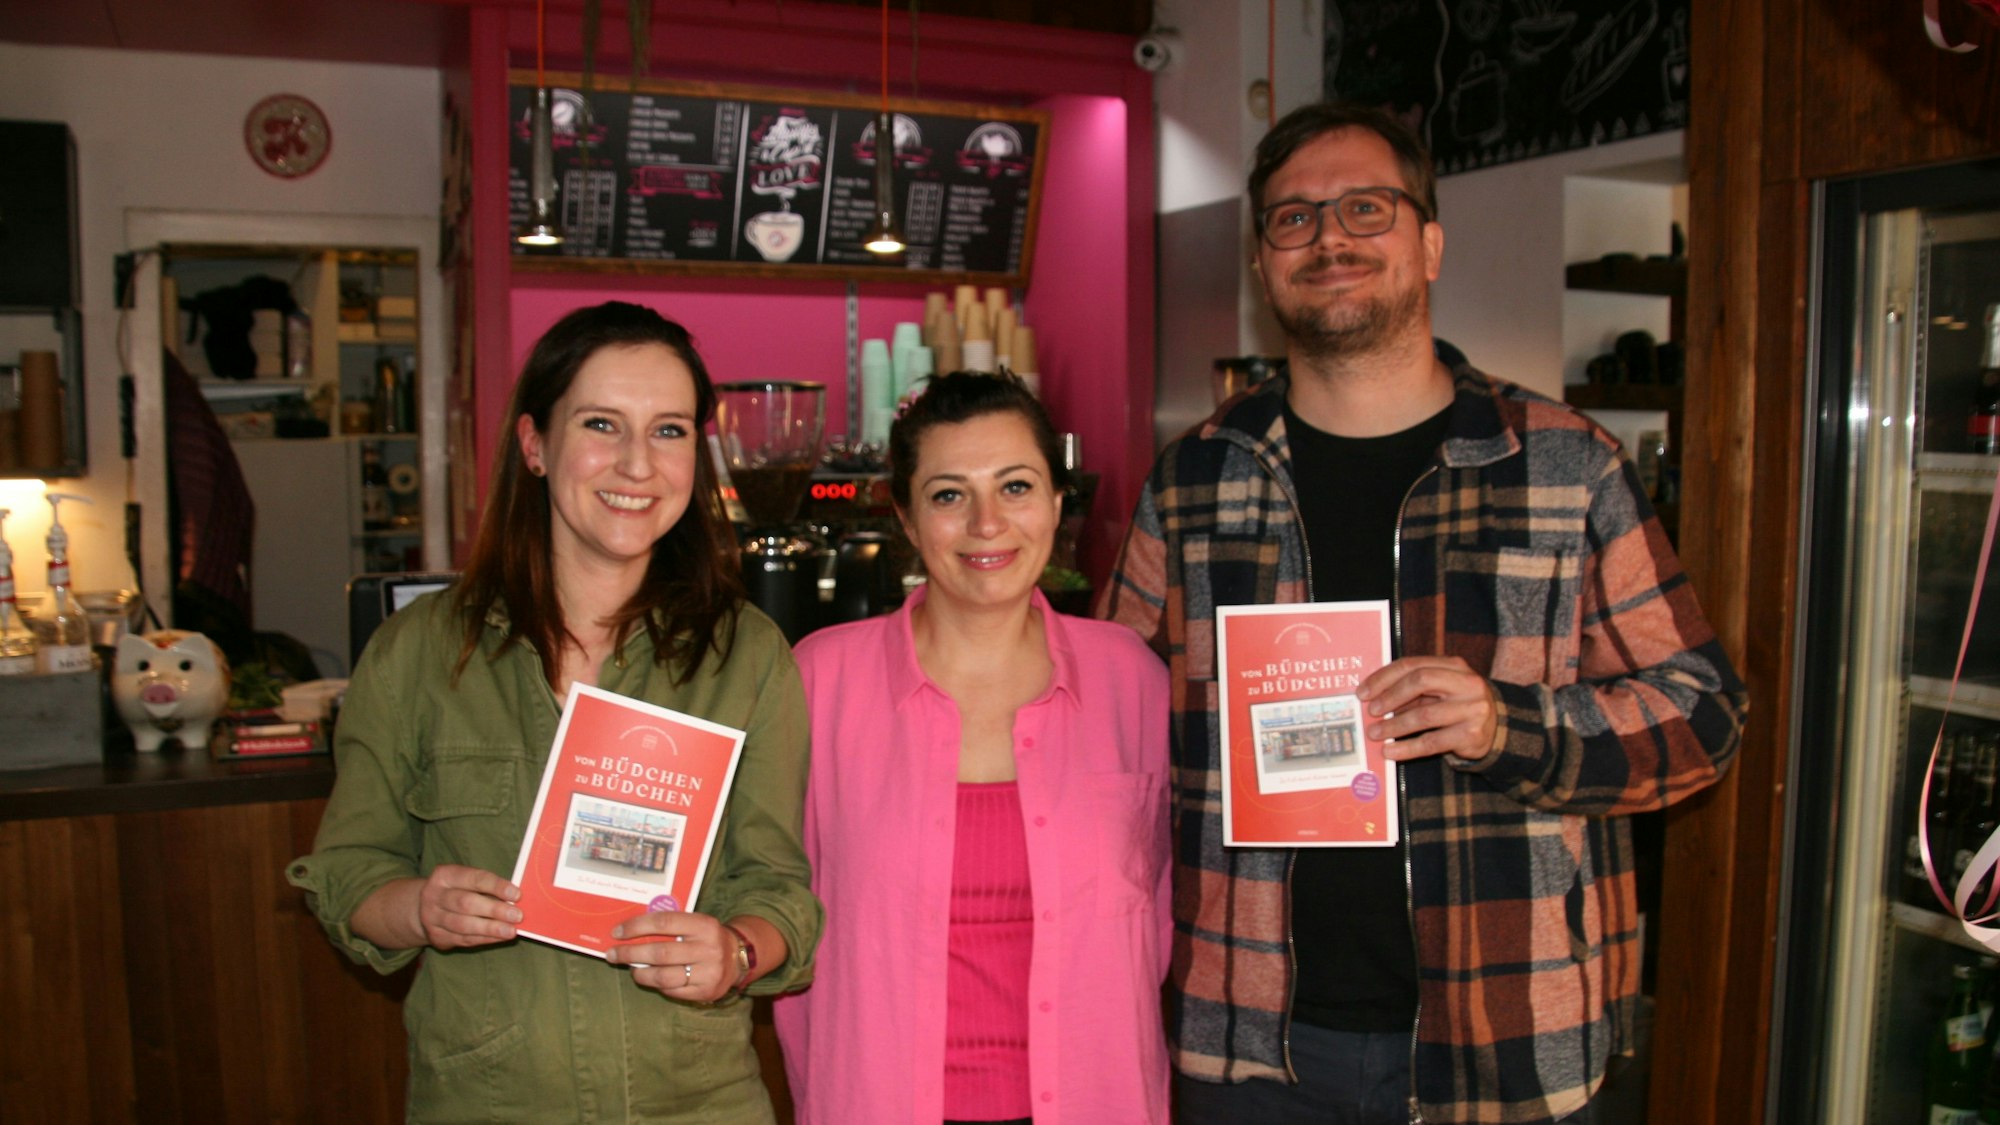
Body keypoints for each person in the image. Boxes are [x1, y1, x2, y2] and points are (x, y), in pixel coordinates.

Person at [1097, 103, 1747, 1124]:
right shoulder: (1194, 481)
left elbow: (1702, 717)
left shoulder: (1566, 466)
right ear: (1262, 265)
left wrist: (1507, 725)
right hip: (1250, 1044)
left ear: (1428, 243)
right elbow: (1109, 724)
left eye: (1365, 208)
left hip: (1508, 1037)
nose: (1329, 239)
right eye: (1293, 219)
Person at [287, 301, 821, 1122]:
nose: (638, 464)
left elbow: (779, 888)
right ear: (535, 444)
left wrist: (737, 951)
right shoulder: (419, 653)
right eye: (603, 423)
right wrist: (421, 906)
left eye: (670, 430)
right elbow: (349, 872)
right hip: (485, 1101)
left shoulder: (745, 655)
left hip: (696, 1102)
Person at [774, 372, 1173, 1124]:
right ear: (907, 517)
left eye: (1016, 486)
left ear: (1058, 504)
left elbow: (1162, 920)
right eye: (950, 494)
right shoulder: (817, 682)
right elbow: (769, 899)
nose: (988, 523)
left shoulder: (1133, 681)